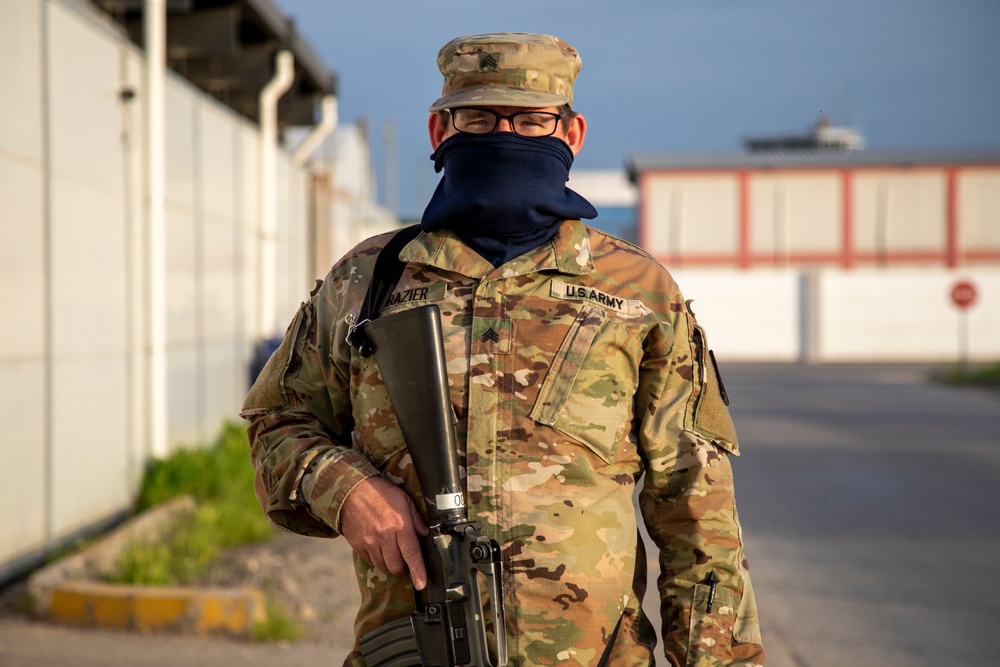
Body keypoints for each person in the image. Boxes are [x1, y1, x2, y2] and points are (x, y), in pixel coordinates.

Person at [242, 32, 765, 666]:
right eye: (481, 119)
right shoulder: (369, 280)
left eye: (531, 120)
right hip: (416, 648)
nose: (506, 137)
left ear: (570, 135)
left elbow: (697, 512)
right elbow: (277, 424)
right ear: (440, 130)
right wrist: (346, 489)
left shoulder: (638, 293)